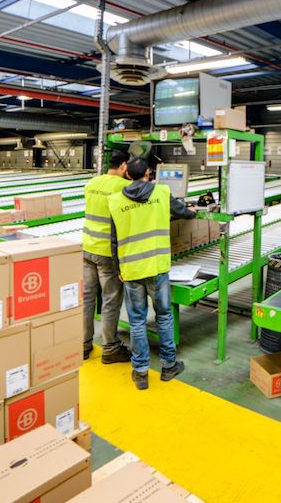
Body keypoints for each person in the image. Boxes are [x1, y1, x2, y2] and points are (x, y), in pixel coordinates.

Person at [108, 156, 197, 390]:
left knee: (137, 321)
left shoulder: (115, 200)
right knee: (164, 316)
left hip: (131, 269)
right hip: (157, 267)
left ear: (127, 175)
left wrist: (118, 269)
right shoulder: (162, 193)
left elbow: (113, 241)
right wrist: (193, 211)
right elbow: (184, 213)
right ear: (148, 173)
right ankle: (169, 366)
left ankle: (140, 373)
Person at [81, 149, 132, 364]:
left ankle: (83, 345)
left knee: (87, 299)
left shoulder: (92, 183)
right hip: (106, 253)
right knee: (110, 300)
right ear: (124, 166)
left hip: (86, 247)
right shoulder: (124, 187)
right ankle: (110, 347)